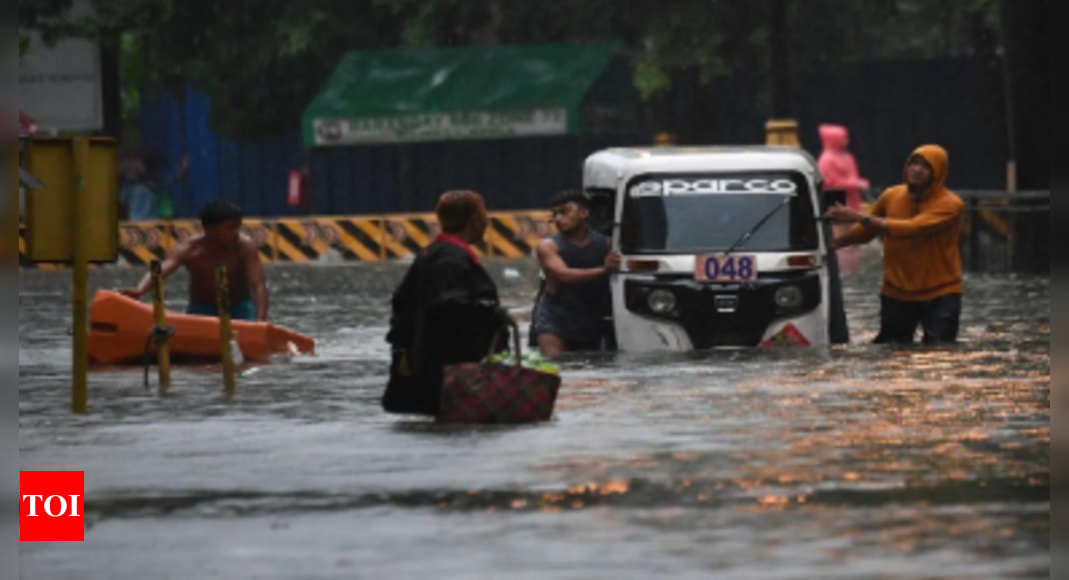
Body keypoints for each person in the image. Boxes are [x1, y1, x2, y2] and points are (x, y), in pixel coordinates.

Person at [384, 191, 511, 417]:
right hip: (451, 372)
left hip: (431, 365)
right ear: (475, 221)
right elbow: (450, 306)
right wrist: (494, 313)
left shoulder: (431, 254)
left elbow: (402, 304)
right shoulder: (451, 259)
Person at [828, 145, 965, 345]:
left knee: (941, 351)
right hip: (897, 290)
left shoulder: (951, 204)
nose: (917, 169)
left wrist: (856, 215)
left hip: (941, 292)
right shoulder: (892, 195)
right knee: (891, 349)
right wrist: (834, 244)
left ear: (938, 172)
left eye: (926, 166)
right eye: (914, 163)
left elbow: (912, 228)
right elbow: (867, 231)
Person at [120, 201, 269, 322]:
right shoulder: (189, 249)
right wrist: (140, 290)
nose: (236, 233)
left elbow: (258, 285)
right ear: (210, 230)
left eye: (238, 227)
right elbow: (161, 270)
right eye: (230, 229)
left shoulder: (245, 246)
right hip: (201, 308)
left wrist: (261, 320)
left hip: (239, 307)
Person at [533, 191, 620, 356]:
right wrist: (604, 269)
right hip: (555, 317)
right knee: (554, 366)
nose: (558, 219)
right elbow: (563, 275)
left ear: (584, 213)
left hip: (591, 316)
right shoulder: (548, 246)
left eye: (565, 212)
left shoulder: (607, 243)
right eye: (555, 214)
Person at [818, 124, 870, 210]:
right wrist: (855, 184)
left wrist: (857, 184)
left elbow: (853, 177)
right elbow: (830, 183)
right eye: (843, 138)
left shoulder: (848, 158)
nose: (846, 141)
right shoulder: (826, 160)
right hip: (837, 205)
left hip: (853, 203)